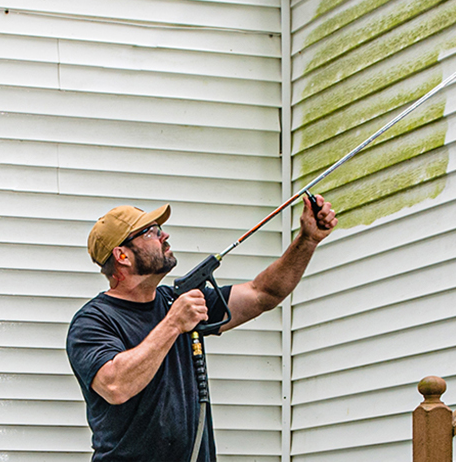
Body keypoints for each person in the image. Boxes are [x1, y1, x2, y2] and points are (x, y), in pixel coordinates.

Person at [65, 195, 337, 462]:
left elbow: (263, 294)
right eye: (150, 232)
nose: (164, 236)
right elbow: (115, 385)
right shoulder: (93, 321)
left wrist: (307, 240)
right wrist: (173, 323)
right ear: (122, 255)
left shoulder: (178, 301)